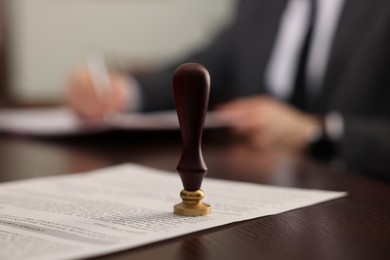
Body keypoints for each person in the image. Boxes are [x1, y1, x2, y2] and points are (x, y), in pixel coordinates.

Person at [66, 0, 390, 181]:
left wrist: (317, 133)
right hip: (258, 189)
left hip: (361, 199)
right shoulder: (261, 7)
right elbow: (207, 67)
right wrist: (125, 91)